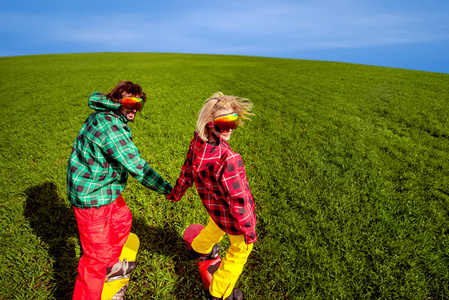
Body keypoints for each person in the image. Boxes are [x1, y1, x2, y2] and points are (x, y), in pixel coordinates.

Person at [67, 81, 172, 299]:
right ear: (117, 101)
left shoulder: (106, 113)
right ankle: (98, 279)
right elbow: (137, 167)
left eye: (139, 105)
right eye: (130, 103)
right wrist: (168, 190)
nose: (134, 109)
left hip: (105, 188)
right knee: (96, 259)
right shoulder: (111, 127)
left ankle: (112, 268)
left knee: (122, 220)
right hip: (92, 196)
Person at [167, 92, 257, 300]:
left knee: (214, 228)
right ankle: (219, 293)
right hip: (234, 219)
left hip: (215, 209)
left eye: (233, 121)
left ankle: (198, 250)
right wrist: (248, 230)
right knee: (240, 251)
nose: (229, 129)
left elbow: (187, 171)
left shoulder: (197, 144)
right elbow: (239, 201)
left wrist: (176, 193)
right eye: (223, 123)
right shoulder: (230, 159)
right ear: (209, 123)